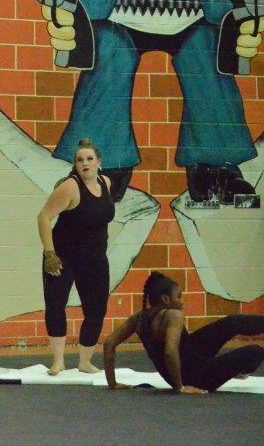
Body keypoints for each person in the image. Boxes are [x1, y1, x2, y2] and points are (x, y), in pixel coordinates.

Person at [103, 271, 264, 393]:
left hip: (190, 361)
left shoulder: (138, 319)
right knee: (255, 352)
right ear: (166, 299)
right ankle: (236, 370)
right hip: (197, 376)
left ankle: (231, 369)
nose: (182, 301)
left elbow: (109, 344)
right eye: (178, 297)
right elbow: (170, 352)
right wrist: (180, 387)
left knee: (232, 323)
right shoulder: (174, 315)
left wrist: (113, 383)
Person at [37, 138, 114, 375]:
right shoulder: (70, 187)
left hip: (95, 259)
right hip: (63, 257)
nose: (85, 164)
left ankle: (85, 361)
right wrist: (50, 254)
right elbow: (43, 217)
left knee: (96, 310)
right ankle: (58, 360)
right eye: (80, 160)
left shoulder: (106, 183)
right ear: (75, 164)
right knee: (56, 305)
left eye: (90, 159)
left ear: (99, 162)